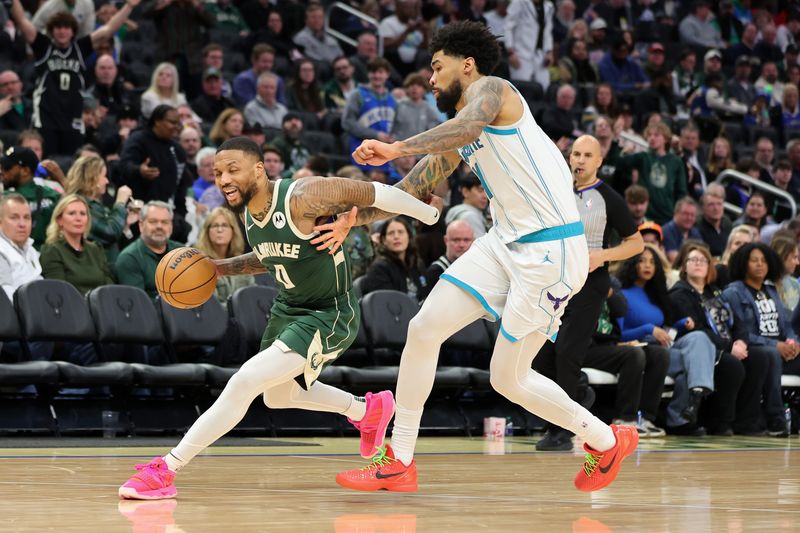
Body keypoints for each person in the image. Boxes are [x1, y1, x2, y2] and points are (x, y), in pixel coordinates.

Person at [324, 21, 638, 493]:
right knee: (423, 328)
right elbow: (412, 187)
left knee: (507, 379)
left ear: (466, 64)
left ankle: (603, 439)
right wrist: (356, 218)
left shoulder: (493, 90)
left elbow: (469, 123)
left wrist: (397, 146)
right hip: (503, 241)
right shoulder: (460, 134)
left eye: (437, 66)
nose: (430, 78)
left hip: (551, 249)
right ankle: (400, 459)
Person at [118, 136, 441, 499]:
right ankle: (367, 410)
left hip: (328, 312)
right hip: (288, 309)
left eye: (232, 169)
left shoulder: (304, 194)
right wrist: (217, 268)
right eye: (218, 172)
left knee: (245, 381)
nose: (223, 178)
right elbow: (270, 256)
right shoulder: (249, 213)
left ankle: (166, 469)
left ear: (259, 168)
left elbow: (376, 193)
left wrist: (428, 214)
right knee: (276, 396)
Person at [532, 134, 644, 450]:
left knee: (568, 351)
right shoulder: (554, 192)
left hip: (589, 286)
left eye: (587, 155)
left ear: (599, 161)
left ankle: (560, 431)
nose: (580, 160)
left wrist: (602, 256)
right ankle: (579, 393)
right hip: (552, 280)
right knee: (542, 353)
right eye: (576, 154)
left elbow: (636, 243)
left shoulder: (609, 198)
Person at [7, 0, 140, 155]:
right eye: (58, 28)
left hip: (73, 121)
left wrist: (129, 6)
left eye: (66, 27)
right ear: (51, 31)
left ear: (73, 31)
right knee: (47, 166)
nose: (62, 31)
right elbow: (22, 21)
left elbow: (108, 30)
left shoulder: (80, 48)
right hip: (46, 119)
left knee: (71, 168)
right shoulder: (44, 46)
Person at [616, 245, 718, 436]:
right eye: (642, 261)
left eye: (652, 262)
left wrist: (680, 324)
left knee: (698, 338)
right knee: (693, 363)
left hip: (663, 349)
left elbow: (664, 330)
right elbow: (618, 334)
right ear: (631, 264)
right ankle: (680, 417)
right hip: (639, 350)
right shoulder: (622, 293)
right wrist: (648, 329)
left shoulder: (655, 295)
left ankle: (694, 395)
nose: (648, 266)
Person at [668, 242, 749, 436]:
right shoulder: (679, 294)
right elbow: (698, 329)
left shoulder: (716, 293)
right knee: (730, 365)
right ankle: (720, 422)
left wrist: (741, 341)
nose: (698, 263)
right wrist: (730, 347)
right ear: (684, 266)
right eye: (693, 259)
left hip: (724, 344)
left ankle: (747, 420)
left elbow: (739, 322)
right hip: (696, 346)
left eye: (703, 260)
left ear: (710, 266)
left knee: (757, 359)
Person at [723, 243, 796, 437]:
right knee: (769, 354)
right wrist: (775, 345)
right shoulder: (734, 292)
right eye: (754, 260)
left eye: (763, 261)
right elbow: (740, 332)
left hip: (780, 350)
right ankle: (776, 419)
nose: (759, 265)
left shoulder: (771, 291)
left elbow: (787, 324)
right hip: (754, 350)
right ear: (743, 263)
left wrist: (791, 341)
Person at [63, 155, 136, 264]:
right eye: (104, 176)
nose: (107, 181)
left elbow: (113, 242)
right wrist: (120, 203)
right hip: (94, 271)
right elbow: (110, 233)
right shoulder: (79, 206)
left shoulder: (97, 205)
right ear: (92, 178)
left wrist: (125, 227)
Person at [39, 194, 114, 295]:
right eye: (72, 213)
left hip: (101, 307)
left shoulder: (96, 249)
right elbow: (58, 292)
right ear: (59, 220)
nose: (78, 218)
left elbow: (109, 287)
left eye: (83, 214)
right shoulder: (51, 251)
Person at [115, 201, 184, 300]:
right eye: (153, 221)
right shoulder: (129, 258)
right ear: (141, 226)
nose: (159, 226)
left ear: (171, 227)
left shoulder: (182, 252)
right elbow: (138, 305)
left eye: (164, 222)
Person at [0, 146, 61, 249]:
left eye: (7, 168)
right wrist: (62, 180)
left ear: (25, 171)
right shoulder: (53, 195)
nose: (2, 171)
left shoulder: (5, 199)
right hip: (48, 254)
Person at [194, 207, 255, 306]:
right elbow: (208, 305)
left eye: (225, 225)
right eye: (215, 225)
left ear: (233, 231)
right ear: (207, 231)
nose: (220, 230)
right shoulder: (199, 263)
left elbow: (252, 295)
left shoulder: (241, 263)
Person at [358, 216, 428, 301]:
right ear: (383, 240)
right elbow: (386, 305)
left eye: (401, 232)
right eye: (391, 233)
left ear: (409, 237)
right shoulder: (379, 268)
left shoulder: (417, 264)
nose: (396, 236)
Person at [0, 194, 42, 300]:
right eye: (14, 218)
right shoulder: (1, 250)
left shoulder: (31, 250)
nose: (22, 224)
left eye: (27, 218)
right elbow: (5, 298)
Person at [420, 219, 474, 300]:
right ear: (446, 240)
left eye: (466, 240)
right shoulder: (435, 272)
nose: (461, 245)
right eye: (456, 240)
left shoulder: (477, 268)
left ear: (473, 240)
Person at [662, 197, 703, 264]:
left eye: (692, 215)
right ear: (675, 213)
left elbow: (703, 255)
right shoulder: (666, 231)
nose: (689, 218)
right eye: (685, 214)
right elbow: (675, 260)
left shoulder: (695, 232)